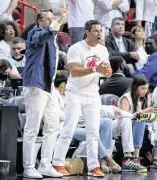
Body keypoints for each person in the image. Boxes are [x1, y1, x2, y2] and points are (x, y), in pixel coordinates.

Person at [52, 20, 112, 177]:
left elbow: (107, 70)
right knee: (68, 129)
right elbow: (74, 71)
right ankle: (57, 163)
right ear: (87, 32)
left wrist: (107, 72)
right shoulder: (76, 48)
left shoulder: (103, 50)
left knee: (93, 132)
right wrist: (94, 69)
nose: (99, 34)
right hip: (75, 93)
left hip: (92, 93)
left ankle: (93, 166)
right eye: (96, 31)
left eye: (101, 30)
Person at [22, 7, 68, 178]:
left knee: (53, 126)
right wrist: (61, 18)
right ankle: (28, 167)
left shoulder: (52, 39)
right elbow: (45, 35)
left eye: (51, 18)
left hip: (49, 87)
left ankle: (45, 164)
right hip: (36, 85)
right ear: (39, 21)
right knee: (32, 128)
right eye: (46, 19)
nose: (50, 21)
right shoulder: (35, 33)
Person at [119, 75, 157, 172]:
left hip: (145, 125)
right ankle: (136, 157)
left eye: (147, 88)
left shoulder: (147, 97)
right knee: (141, 119)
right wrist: (144, 112)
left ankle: (155, 157)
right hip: (125, 126)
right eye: (142, 88)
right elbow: (125, 117)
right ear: (135, 88)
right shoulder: (126, 98)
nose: (145, 91)